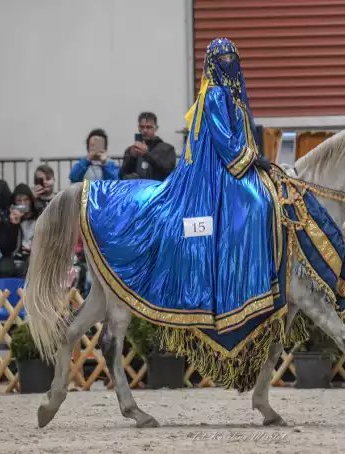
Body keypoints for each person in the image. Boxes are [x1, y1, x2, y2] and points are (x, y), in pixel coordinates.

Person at [81, 38, 276, 327]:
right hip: (219, 170)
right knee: (254, 203)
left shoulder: (232, 98)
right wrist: (248, 159)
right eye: (221, 59)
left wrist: (254, 157)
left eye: (231, 57)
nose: (228, 63)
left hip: (234, 164)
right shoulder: (214, 97)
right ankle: (237, 282)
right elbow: (224, 142)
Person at [0, 184, 39, 278]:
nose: (22, 203)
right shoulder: (6, 219)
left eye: (26, 200)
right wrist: (12, 225)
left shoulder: (40, 217)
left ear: (31, 201)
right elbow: (5, 249)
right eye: (19, 200)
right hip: (13, 256)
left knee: (31, 266)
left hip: (35, 255)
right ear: (13, 202)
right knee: (4, 267)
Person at [119, 112, 177, 181]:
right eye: (142, 127)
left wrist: (147, 155)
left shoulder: (167, 149)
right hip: (138, 189)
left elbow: (169, 171)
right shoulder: (131, 150)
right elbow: (122, 175)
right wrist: (132, 158)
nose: (145, 130)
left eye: (149, 127)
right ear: (139, 128)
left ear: (156, 128)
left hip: (158, 189)